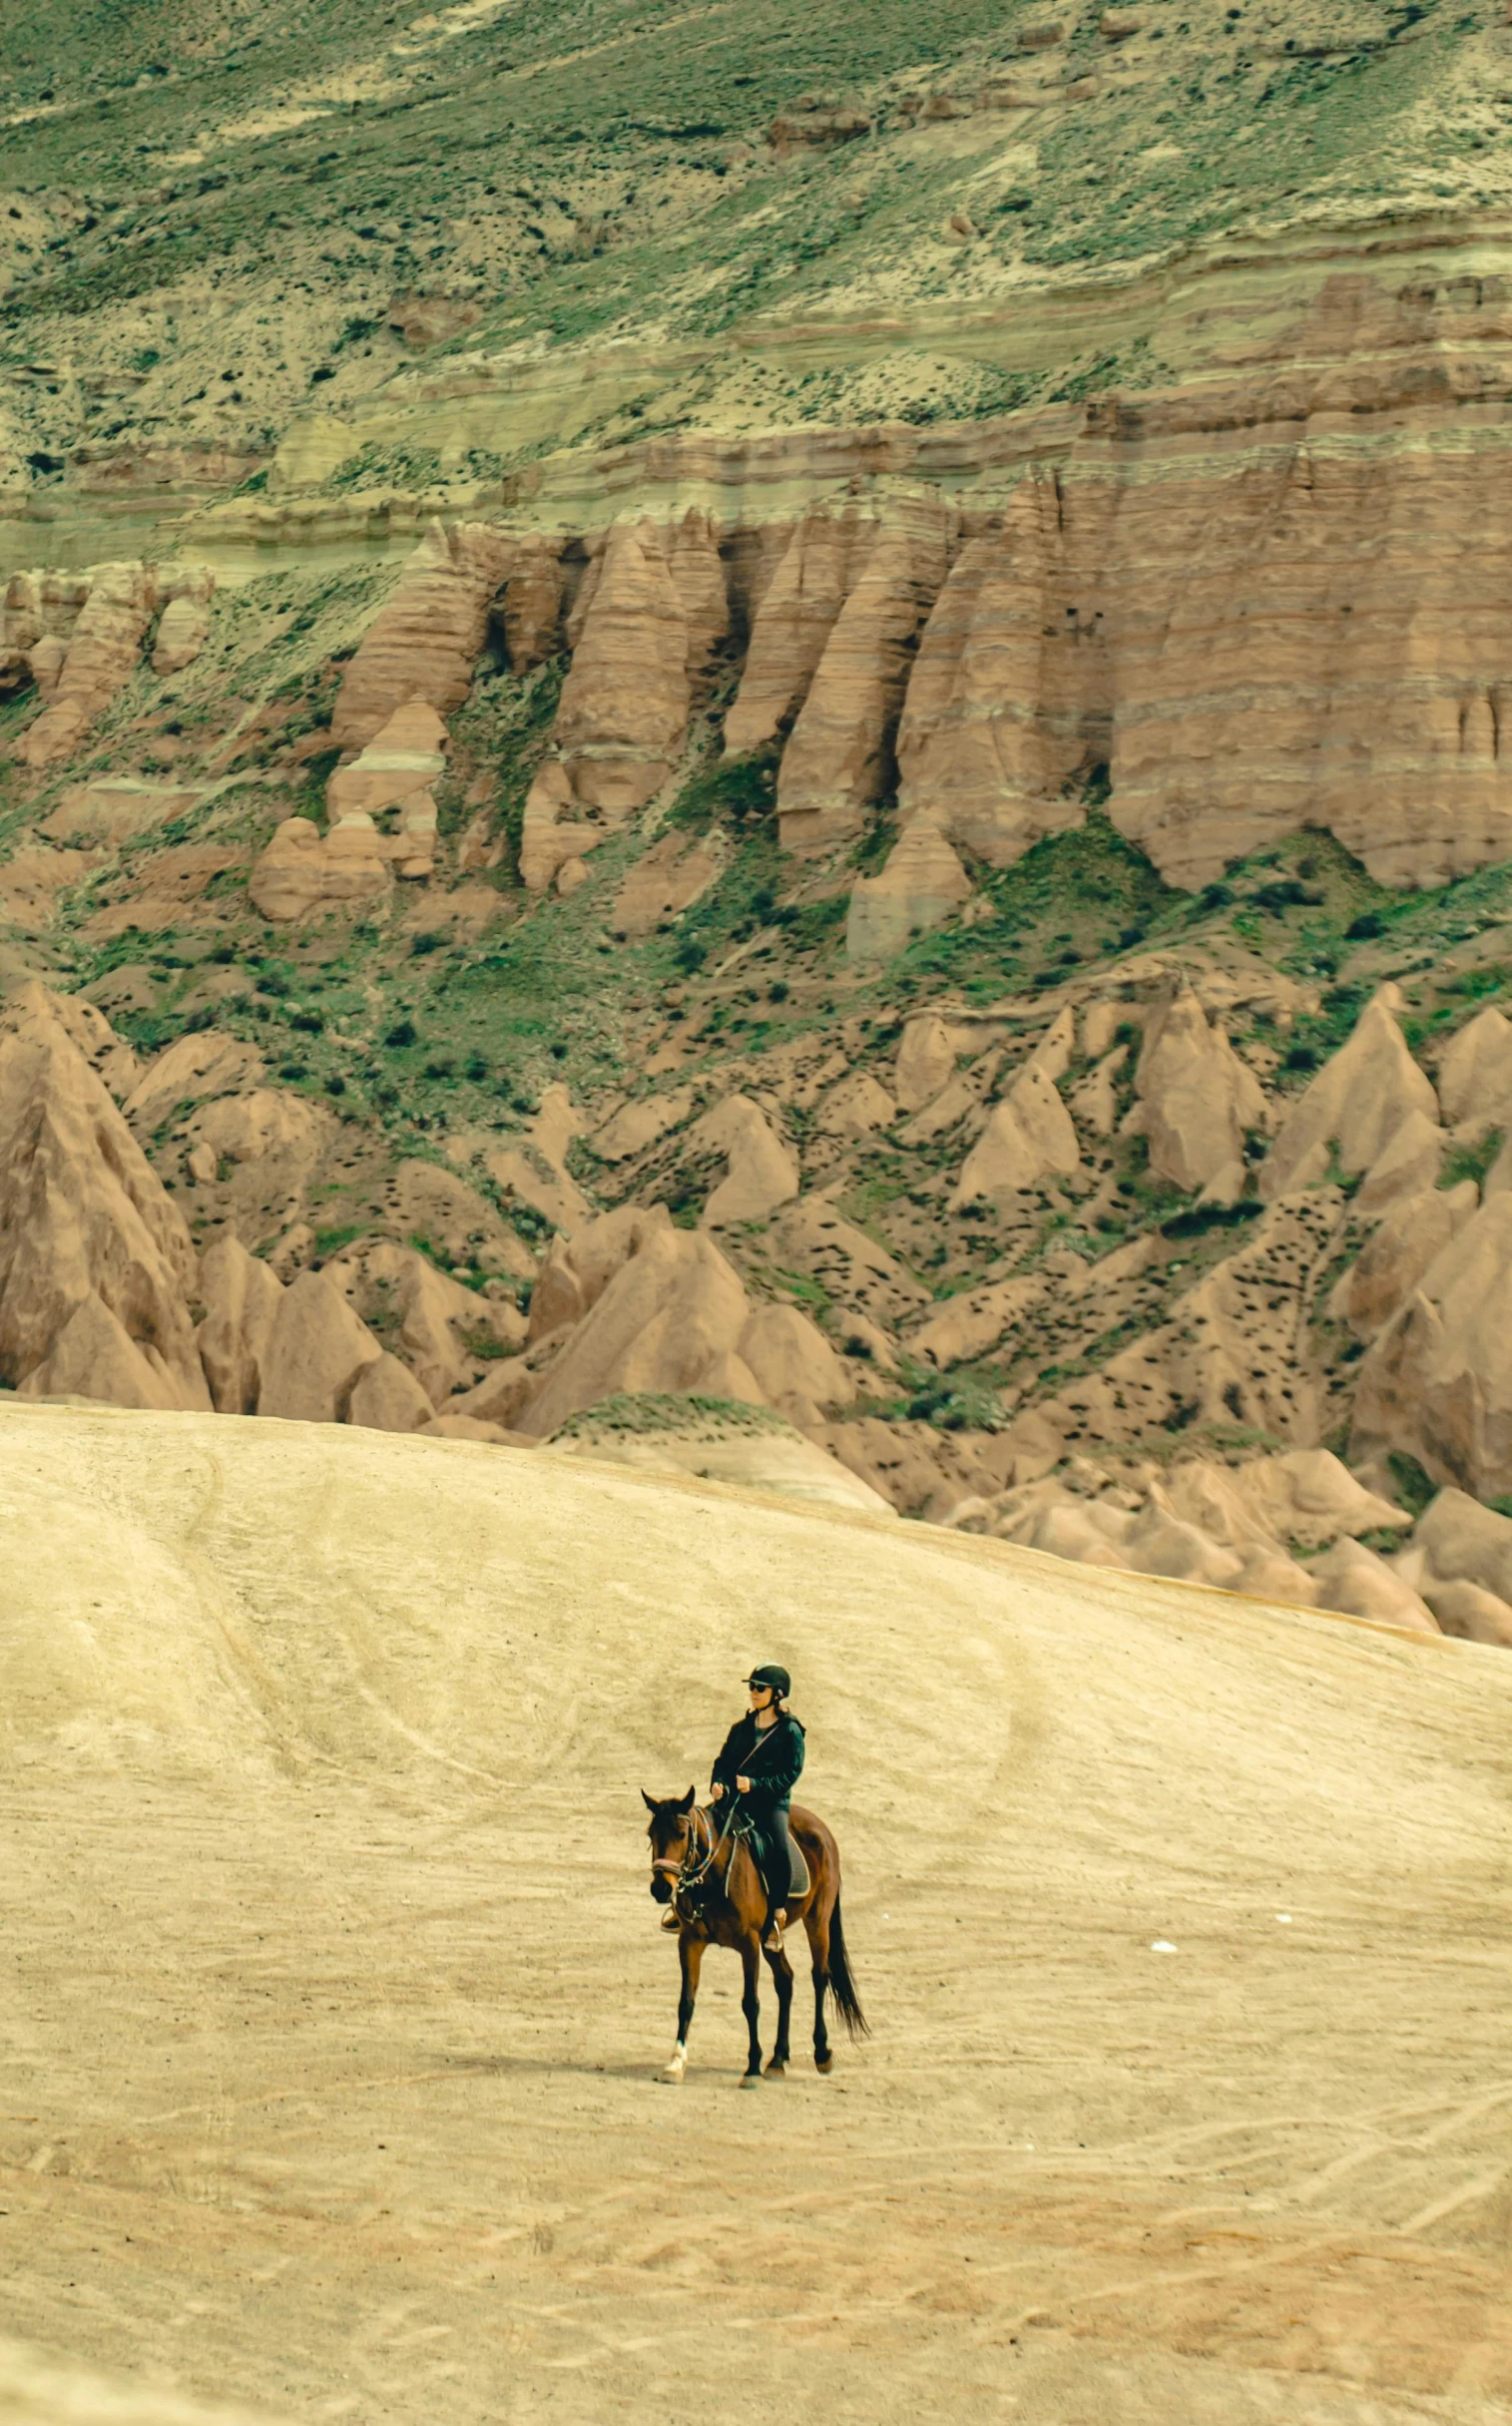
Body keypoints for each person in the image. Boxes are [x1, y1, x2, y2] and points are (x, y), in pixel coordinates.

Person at [710, 1665, 805, 1948]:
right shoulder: (740, 1729)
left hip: (771, 1803)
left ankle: (777, 1915)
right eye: (751, 1687)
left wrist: (757, 1785)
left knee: (778, 1846)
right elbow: (723, 1762)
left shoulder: (790, 1731)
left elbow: (791, 1772)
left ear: (777, 1694)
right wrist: (718, 1784)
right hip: (736, 1799)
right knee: (700, 1833)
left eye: (759, 1688)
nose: (753, 1693)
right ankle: (691, 1907)